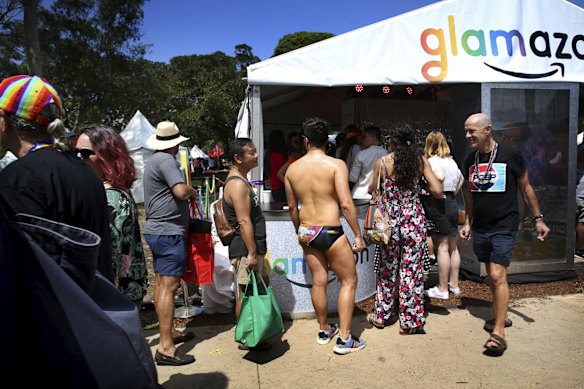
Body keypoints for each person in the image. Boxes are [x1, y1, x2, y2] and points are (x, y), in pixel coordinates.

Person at [0, 75, 113, 282]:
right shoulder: (84, 169)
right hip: (93, 303)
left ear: (4, 120)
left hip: (54, 309)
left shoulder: (17, 178)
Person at [460, 113, 549, 356]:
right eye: (466, 131)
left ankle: (498, 332)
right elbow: (469, 195)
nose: (467, 136)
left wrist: (538, 218)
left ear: (487, 129)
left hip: (505, 225)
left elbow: (526, 188)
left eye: (472, 131)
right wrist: (468, 221)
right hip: (482, 227)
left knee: (498, 275)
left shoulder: (511, 156)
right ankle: (502, 315)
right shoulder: (471, 159)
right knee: (492, 276)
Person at [284, 117, 367, 355]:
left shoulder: (292, 169)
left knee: (318, 280)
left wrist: (298, 229)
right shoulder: (336, 164)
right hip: (331, 229)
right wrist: (358, 235)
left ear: (306, 140)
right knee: (349, 281)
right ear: (327, 140)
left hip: (308, 230)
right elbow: (346, 204)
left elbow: (292, 207)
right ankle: (345, 339)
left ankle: (323, 330)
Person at [367, 125, 442, 334]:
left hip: (389, 225)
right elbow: (438, 190)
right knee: (411, 271)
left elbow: (373, 190)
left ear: (392, 142)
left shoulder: (382, 163)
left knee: (386, 270)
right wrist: (421, 187)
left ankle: (382, 315)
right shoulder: (420, 161)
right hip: (414, 222)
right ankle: (409, 322)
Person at [74, 125, 149, 308]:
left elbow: (111, 256)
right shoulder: (109, 191)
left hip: (117, 296)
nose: (78, 158)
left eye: (85, 153)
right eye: (74, 152)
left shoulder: (111, 198)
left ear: (106, 157)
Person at [143, 121, 197, 366]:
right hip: (168, 232)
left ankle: (168, 333)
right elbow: (179, 191)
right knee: (168, 287)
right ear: (175, 143)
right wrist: (192, 190)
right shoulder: (166, 161)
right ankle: (166, 347)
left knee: (162, 284)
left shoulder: (155, 161)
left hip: (159, 231)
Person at [223, 138, 273, 351]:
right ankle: (247, 338)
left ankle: (255, 334)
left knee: (259, 288)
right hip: (245, 250)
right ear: (237, 158)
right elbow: (244, 221)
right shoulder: (236, 184)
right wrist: (252, 253)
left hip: (252, 248)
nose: (256, 155)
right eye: (251, 153)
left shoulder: (241, 181)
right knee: (246, 293)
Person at [422, 131, 464, 299]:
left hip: (438, 204)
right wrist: (452, 192)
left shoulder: (431, 162)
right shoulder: (452, 161)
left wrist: (433, 189)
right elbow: (461, 179)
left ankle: (442, 288)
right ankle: (454, 285)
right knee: (453, 247)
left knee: (442, 247)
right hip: (452, 202)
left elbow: (439, 175)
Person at [349, 126, 386, 200]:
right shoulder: (387, 154)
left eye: (364, 137)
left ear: (373, 139)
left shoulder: (361, 154)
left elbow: (353, 178)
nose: (362, 140)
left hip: (359, 195)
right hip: (378, 197)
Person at [264, 130, 288, 202]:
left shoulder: (268, 156)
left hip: (274, 188)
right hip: (281, 187)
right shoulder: (279, 156)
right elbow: (284, 172)